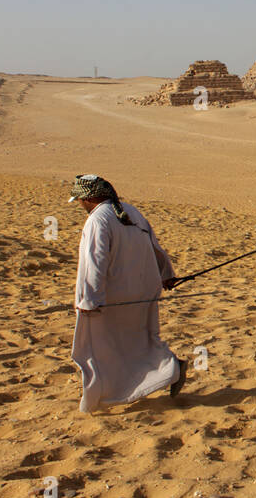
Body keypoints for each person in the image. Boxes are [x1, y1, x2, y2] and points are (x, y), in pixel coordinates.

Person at [68, 174, 187, 412]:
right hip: (142, 292)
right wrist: (166, 274)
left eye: (81, 199)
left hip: (113, 298)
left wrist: (88, 299)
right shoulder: (130, 211)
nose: (80, 204)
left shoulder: (97, 220)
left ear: (90, 197)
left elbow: (95, 262)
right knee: (138, 339)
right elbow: (155, 245)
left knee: (101, 346)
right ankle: (170, 367)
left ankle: (102, 396)